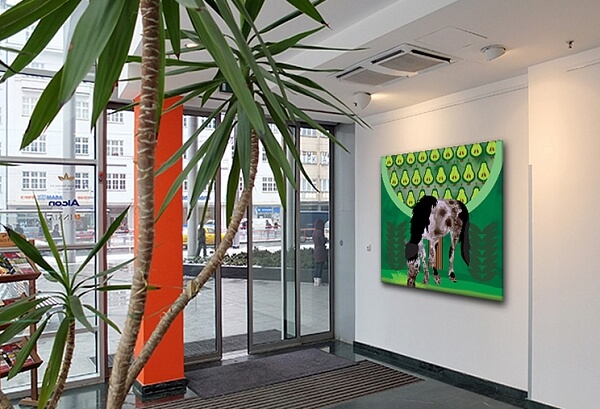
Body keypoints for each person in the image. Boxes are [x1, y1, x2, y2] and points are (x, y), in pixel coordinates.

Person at [312, 218, 328, 286]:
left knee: (317, 266)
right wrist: (326, 239)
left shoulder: (314, 232)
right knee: (320, 266)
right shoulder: (320, 232)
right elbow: (323, 241)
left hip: (316, 249)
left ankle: (315, 281)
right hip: (321, 250)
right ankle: (319, 280)